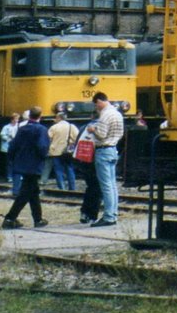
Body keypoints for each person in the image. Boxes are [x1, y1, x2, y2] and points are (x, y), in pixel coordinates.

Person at [2, 106, 50, 229]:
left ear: (29, 116)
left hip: (22, 164)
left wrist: (12, 159)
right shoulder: (41, 130)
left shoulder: (22, 129)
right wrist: (44, 156)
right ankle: (10, 218)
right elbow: (42, 147)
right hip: (34, 165)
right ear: (40, 116)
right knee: (25, 193)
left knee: (33, 192)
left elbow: (13, 145)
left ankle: (38, 219)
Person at [87, 91, 124, 227]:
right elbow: (120, 133)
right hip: (113, 149)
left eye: (96, 105)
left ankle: (108, 216)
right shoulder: (117, 114)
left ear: (99, 101)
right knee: (112, 185)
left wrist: (93, 130)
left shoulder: (105, 115)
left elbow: (102, 135)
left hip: (103, 150)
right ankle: (113, 214)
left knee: (106, 186)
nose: (97, 108)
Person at [74, 119, 100, 224]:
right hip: (96, 160)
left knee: (91, 186)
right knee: (97, 188)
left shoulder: (83, 128)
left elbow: (78, 143)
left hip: (86, 160)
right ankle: (92, 215)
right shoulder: (99, 127)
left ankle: (85, 212)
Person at [47, 112, 80, 190]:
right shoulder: (72, 127)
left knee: (58, 170)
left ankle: (61, 188)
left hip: (55, 152)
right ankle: (72, 188)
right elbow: (77, 138)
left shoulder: (54, 127)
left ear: (59, 118)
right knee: (69, 169)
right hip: (68, 152)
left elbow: (48, 138)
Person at [0, 113, 19, 187]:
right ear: (12, 119)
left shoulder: (18, 127)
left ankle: (17, 176)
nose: (17, 120)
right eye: (16, 119)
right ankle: (9, 176)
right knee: (9, 162)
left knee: (17, 161)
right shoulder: (6, 127)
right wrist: (8, 138)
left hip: (16, 147)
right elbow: (2, 135)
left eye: (17, 119)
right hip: (8, 146)